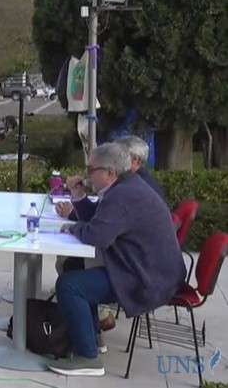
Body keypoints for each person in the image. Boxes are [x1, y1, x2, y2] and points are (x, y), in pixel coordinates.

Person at [48, 143, 186, 377]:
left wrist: (73, 229)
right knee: (73, 265)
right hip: (145, 267)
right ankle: (91, 337)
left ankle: (88, 358)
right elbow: (100, 220)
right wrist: (79, 196)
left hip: (147, 278)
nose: (86, 174)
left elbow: (96, 236)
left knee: (70, 285)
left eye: (91, 169)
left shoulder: (123, 195)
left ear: (110, 172)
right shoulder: (124, 187)